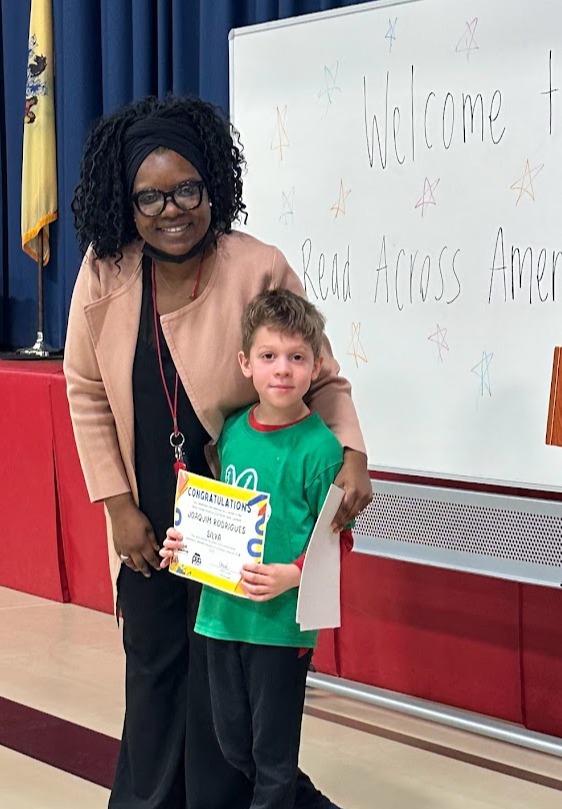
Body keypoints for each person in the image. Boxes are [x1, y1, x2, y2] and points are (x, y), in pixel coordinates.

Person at [64, 94, 371, 809]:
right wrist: (116, 506)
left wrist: (351, 449)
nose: (172, 210)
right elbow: (83, 388)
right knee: (154, 680)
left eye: (187, 189)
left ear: (213, 184)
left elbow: (317, 373)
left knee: (225, 704)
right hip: (149, 525)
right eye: (150, 196)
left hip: (241, 520)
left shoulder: (255, 265)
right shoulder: (105, 270)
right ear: (127, 199)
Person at [161, 288, 355, 809]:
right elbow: (216, 516)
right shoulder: (231, 434)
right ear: (246, 364)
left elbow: (338, 537)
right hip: (221, 617)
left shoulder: (321, 450)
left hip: (279, 626)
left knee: (272, 760)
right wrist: (185, 542)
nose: (283, 370)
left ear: (316, 366)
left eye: (297, 358)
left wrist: (294, 575)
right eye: (269, 357)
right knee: (237, 749)